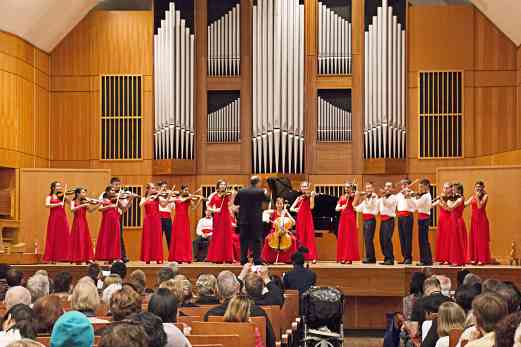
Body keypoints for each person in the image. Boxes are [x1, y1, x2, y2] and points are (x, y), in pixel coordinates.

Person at [203, 271, 275, 347]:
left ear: (217, 291)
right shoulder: (258, 312)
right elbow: (271, 343)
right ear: (238, 288)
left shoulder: (210, 315)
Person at [233, 176, 270, 265]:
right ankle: (257, 260)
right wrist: (265, 192)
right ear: (258, 183)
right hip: (255, 220)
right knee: (257, 240)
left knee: (244, 239)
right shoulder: (260, 191)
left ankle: (243, 259)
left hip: (243, 219)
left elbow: (235, 202)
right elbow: (267, 200)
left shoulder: (241, 191)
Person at [169, 185, 201, 263]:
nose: (187, 191)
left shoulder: (188, 199)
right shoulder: (177, 198)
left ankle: (187, 257)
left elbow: (194, 208)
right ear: (182, 190)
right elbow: (170, 200)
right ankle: (178, 257)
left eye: (187, 190)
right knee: (178, 238)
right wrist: (190, 196)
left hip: (185, 220)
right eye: (185, 190)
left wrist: (199, 200)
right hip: (178, 220)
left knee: (185, 237)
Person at [261, 197, 297, 264]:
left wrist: (287, 212)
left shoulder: (285, 213)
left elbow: (294, 222)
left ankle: (291, 259)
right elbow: (264, 212)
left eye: (281, 204)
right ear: (275, 204)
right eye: (278, 203)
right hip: (275, 231)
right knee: (267, 239)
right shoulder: (273, 212)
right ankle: (267, 259)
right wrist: (266, 217)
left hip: (285, 231)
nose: (279, 205)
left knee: (293, 239)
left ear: (283, 204)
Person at [206, 180, 235, 263]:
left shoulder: (227, 195)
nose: (223, 186)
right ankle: (217, 258)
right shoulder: (214, 195)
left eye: (224, 185)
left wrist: (232, 196)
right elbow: (208, 206)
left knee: (227, 236)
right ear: (218, 186)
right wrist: (214, 210)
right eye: (221, 184)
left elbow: (230, 205)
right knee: (218, 236)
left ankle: (228, 258)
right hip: (218, 217)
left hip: (226, 217)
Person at [290, 181, 317, 263]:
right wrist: (296, 209)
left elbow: (311, 207)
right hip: (300, 219)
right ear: (301, 188)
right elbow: (291, 208)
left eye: (306, 187)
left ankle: (312, 256)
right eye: (303, 187)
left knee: (309, 236)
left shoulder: (309, 196)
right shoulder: (299, 198)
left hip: (308, 218)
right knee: (300, 236)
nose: (305, 188)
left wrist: (312, 197)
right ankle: (300, 257)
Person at [43, 181, 70, 263]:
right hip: (54, 219)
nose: (60, 187)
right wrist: (57, 204)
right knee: (53, 236)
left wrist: (67, 198)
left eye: (60, 186)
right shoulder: (49, 196)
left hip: (62, 218)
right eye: (57, 186)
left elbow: (71, 204)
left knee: (64, 236)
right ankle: (52, 258)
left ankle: (64, 257)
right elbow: (47, 205)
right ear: (53, 188)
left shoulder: (62, 196)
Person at [69, 187, 97, 264]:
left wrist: (99, 204)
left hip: (84, 222)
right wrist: (82, 205)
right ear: (78, 194)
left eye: (85, 193)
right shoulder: (73, 201)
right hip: (77, 222)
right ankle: (79, 258)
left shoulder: (84, 201)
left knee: (85, 239)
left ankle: (87, 258)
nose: (84, 194)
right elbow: (72, 209)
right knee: (78, 240)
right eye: (83, 192)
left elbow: (90, 211)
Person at [465, 181, 490, 265]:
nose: (478, 188)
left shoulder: (485, 196)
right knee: (474, 239)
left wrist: (477, 197)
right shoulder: (473, 196)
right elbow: (465, 204)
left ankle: (481, 259)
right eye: (476, 187)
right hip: (474, 220)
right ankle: (474, 258)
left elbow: (479, 207)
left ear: (483, 188)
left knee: (481, 240)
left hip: (482, 220)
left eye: (479, 187)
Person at [353, 182, 379, 264]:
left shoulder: (374, 196)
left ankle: (371, 258)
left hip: (371, 220)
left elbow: (370, 206)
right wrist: (356, 199)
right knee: (366, 239)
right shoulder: (366, 198)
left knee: (368, 239)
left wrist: (364, 198)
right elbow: (359, 209)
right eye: (366, 188)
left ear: (373, 189)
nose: (367, 190)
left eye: (369, 188)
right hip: (365, 221)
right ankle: (370, 257)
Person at [335, 182, 360, 264]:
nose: (346, 189)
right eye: (345, 187)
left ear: (351, 188)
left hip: (350, 219)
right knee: (343, 237)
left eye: (348, 187)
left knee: (349, 238)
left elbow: (353, 204)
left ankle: (349, 258)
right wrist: (342, 207)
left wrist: (355, 195)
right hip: (343, 219)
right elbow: (336, 208)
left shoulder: (353, 196)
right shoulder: (342, 197)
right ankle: (343, 257)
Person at [95, 186, 122, 262]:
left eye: (114, 190)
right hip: (107, 222)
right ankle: (107, 257)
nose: (114, 192)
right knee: (107, 238)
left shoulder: (116, 200)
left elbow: (124, 208)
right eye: (112, 190)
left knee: (115, 238)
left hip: (115, 221)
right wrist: (110, 206)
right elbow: (99, 209)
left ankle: (115, 257)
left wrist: (130, 199)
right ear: (107, 192)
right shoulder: (104, 200)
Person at [140, 183, 164, 264]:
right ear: (148, 189)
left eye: (154, 188)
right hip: (148, 220)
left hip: (156, 219)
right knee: (148, 238)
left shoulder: (157, 198)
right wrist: (149, 198)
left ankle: (158, 258)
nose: (155, 190)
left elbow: (163, 205)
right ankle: (147, 258)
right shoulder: (144, 198)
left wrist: (167, 197)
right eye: (153, 188)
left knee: (157, 238)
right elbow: (141, 205)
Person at [447, 183, 468, 266]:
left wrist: (448, 200)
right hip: (453, 220)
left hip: (457, 221)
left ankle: (458, 260)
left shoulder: (461, 198)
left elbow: (451, 207)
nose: (452, 190)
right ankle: (455, 260)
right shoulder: (454, 198)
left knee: (457, 241)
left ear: (459, 190)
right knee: (453, 240)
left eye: (454, 189)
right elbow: (449, 208)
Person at [395, 179, 416, 264]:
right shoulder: (399, 194)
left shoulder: (412, 194)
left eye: (405, 184)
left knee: (408, 238)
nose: (403, 186)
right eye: (402, 184)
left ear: (408, 185)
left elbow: (414, 207)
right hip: (400, 217)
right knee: (402, 238)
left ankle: (408, 258)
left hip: (408, 216)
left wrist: (408, 197)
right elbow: (393, 202)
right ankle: (404, 257)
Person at [413, 179, 433, 266]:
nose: (419, 189)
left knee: (423, 240)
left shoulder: (425, 196)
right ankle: (428, 259)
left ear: (426, 186)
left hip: (424, 219)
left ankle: (425, 260)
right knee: (424, 240)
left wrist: (412, 197)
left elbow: (416, 205)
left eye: (421, 187)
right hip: (423, 218)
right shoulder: (425, 195)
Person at [378, 182, 397, 265]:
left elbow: (387, 204)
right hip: (383, 220)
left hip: (389, 220)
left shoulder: (393, 197)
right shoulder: (383, 197)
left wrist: (382, 197)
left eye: (389, 186)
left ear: (392, 189)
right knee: (382, 240)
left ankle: (390, 259)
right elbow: (377, 206)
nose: (387, 188)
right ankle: (386, 258)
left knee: (387, 239)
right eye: (386, 186)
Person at [433, 182, 453, 265]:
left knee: (448, 238)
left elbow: (449, 209)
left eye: (447, 188)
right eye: (444, 188)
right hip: (441, 220)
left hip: (449, 220)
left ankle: (448, 259)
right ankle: (442, 258)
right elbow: (431, 205)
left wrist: (440, 201)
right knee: (442, 238)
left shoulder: (452, 198)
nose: (445, 189)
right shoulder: (441, 198)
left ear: (451, 189)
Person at [158, 181, 175, 249]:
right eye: (163, 187)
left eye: (165, 187)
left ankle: (171, 256)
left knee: (169, 237)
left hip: (168, 218)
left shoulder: (170, 195)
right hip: (159, 218)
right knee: (159, 237)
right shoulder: (157, 195)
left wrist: (171, 197)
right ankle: (158, 257)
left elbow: (173, 207)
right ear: (160, 187)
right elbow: (162, 205)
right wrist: (168, 197)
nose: (164, 188)